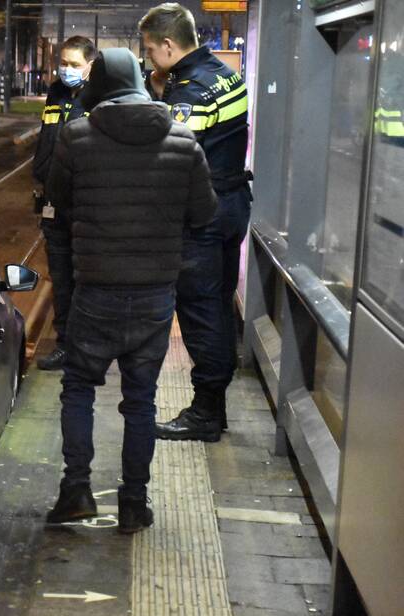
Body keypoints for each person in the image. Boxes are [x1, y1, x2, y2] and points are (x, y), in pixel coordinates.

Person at [43, 48, 217, 533]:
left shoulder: (76, 136)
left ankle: (76, 491)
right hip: (155, 294)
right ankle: (134, 503)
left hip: (95, 289)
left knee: (79, 388)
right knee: (141, 399)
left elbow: (59, 198)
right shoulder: (182, 139)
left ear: (99, 85)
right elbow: (205, 213)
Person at [138, 3, 253, 442]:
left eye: (151, 50)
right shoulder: (223, 74)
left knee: (202, 314)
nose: (150, 58)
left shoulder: (191, 91)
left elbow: (174, 159)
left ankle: (204, 413)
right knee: (218, 309)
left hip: (203, 218)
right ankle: (214, 408)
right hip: (232, 203)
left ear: (168, 45)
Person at [33, 35, 98, 371]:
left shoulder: (100, 97)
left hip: (84, 203)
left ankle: (87, 346)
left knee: (84, 277)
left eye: (74, 64)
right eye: (63, 63)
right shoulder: (56, 93)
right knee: (60, 277)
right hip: (53, 201)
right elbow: (47, 139)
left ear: (90, 65)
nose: (66, 69)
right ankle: (65, 345)